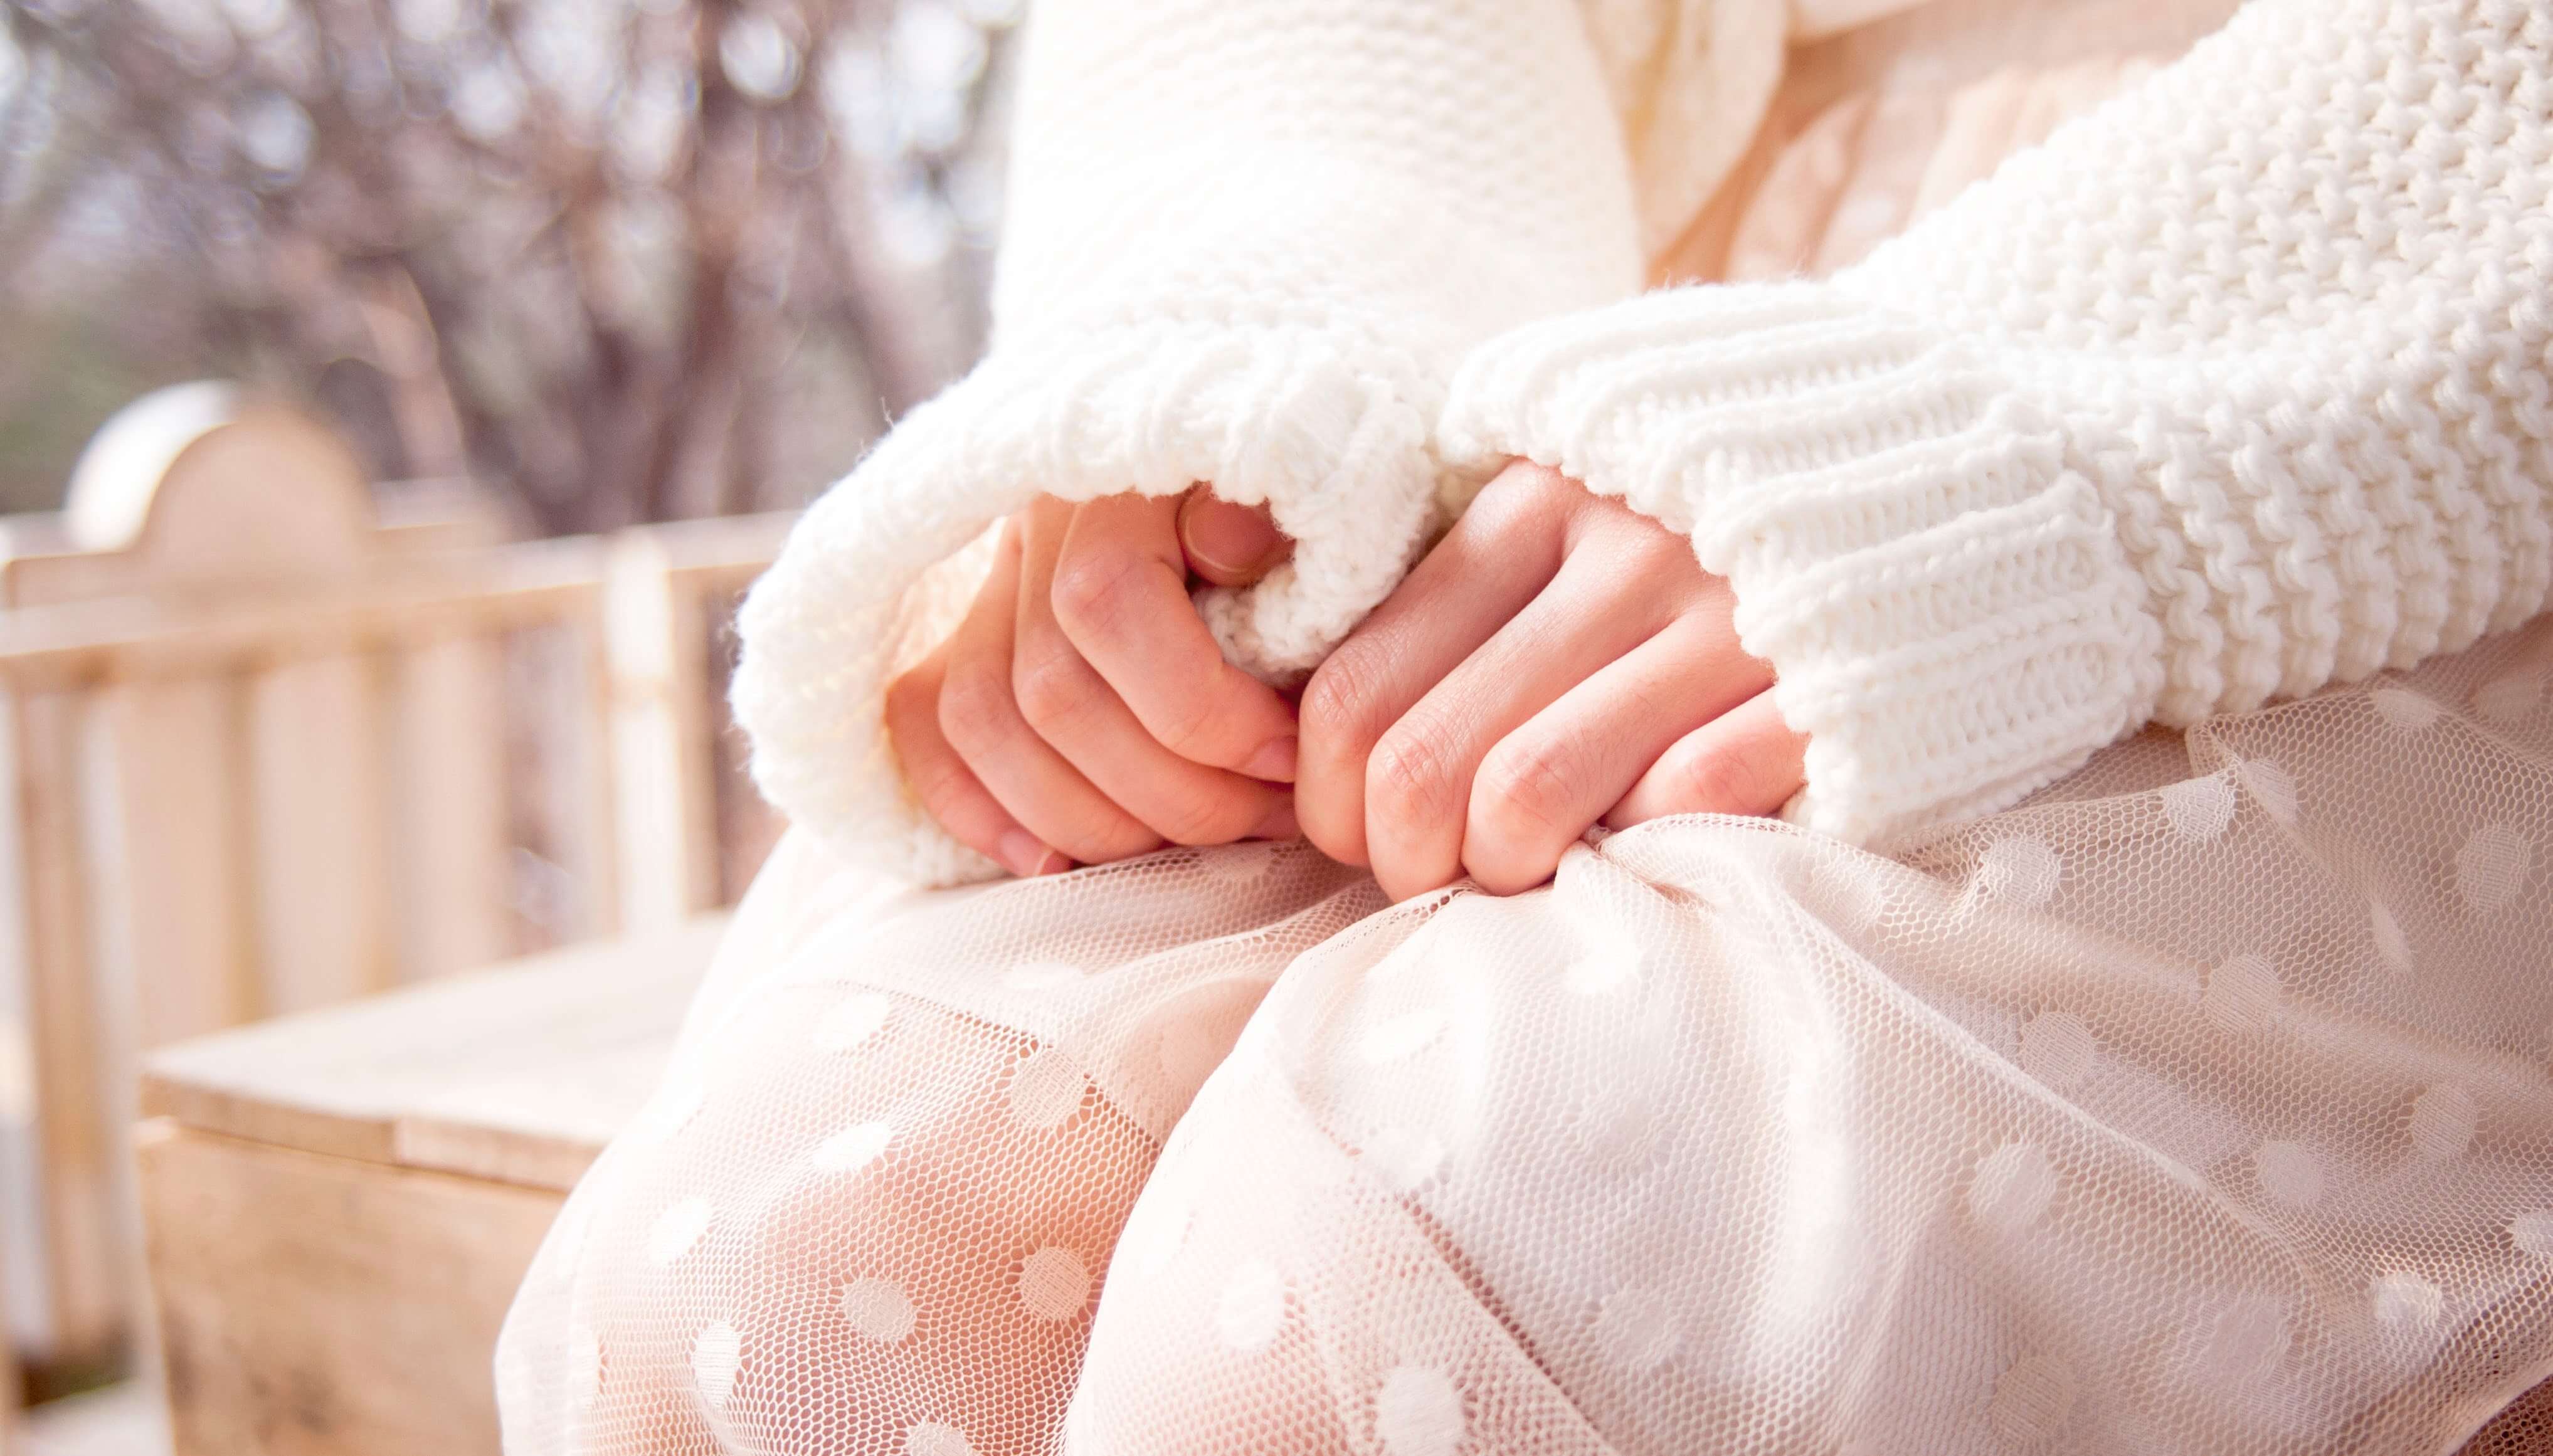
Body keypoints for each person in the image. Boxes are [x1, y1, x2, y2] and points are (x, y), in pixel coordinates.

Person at [495, 0, 2553, 1451]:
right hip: (1586, 366)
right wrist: (1236, 335)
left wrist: (2018, 426)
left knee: (1437, 1256)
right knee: (804, 1231)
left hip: (2384, 353)